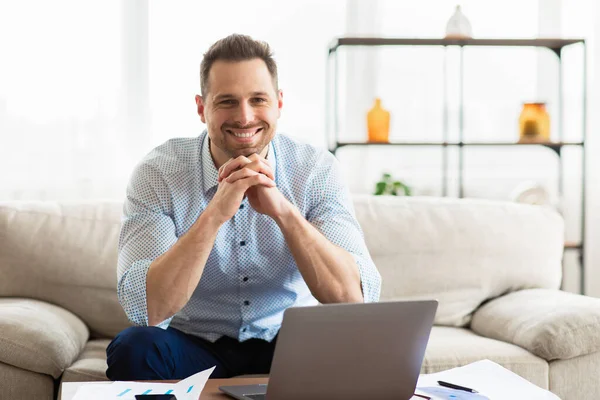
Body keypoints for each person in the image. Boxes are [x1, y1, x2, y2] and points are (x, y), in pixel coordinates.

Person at [106, 34, 381, 381]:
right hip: (196, 344)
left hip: (294, 342)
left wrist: (283, 210)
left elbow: (353, 298)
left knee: (365, 344)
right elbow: (147, 308)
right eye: (227, 102)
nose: (245, 117)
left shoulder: (315, 170)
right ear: (201, 107)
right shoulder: (158, 173)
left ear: (279, 103)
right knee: (134, 349)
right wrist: (215, 213)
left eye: (258, 99)